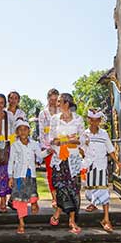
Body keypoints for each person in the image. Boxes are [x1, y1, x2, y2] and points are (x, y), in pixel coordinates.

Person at [80, 109, 121, 233]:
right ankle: (93, 203)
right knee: (90, 190)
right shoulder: (84, 134)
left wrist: (117, 162)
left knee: (104, 191)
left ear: (100, 121)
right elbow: (81, 150)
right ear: (88, 120)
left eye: (97, 120)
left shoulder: (104, 134)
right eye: (92, 120)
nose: (94, 123)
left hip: (101, 166)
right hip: (89, 166)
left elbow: (110, 149)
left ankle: (106, 219)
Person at [48, 93, 85, 234]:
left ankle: (72, 220)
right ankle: (59, 211)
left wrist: (65, 140)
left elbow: (81, 140)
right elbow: (52, 139)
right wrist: (68, 140)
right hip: (59, 158)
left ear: (67, 103)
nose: (57, 104)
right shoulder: (54, 119)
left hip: (74, 159)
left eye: (59, 101)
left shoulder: (78, 119)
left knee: (74, 189)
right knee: (61, 187)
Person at [7, 119, 51, 234]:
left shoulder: (34, 144)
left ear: (28, 131)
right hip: (19, 176)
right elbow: (11, 161)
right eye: (20, 130)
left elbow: (40, 155)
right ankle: (21, 223)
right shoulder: (15, 145)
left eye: (25, 129)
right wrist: (10, 176)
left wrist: (49, 150)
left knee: (32, 192)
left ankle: (34, 202)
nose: (23, 132)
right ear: (17, 132)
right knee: (19, 200)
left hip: (31, 175)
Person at [38, 88, 60, 208]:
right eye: (51, 99)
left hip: (61, 147)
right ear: (48, 99)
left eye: (56, 100)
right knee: (51, 173)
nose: (53, 102)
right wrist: (45, 148)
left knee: (61, 173)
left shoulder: (62, 112)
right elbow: (41, 132)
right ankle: (54, 197)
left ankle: (62, 197)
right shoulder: (43, 113)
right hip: (49, 147)